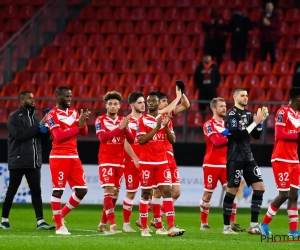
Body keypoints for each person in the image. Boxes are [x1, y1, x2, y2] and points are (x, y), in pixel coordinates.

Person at [0, 91, 54, 230]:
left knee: (36, 191)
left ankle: (40, 222)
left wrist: (45, 132)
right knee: (12, 191)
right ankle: (4, 220)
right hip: (18, 160)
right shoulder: (14, 118)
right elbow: (19, 136)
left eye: (33, 98)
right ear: (21, 100)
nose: (33, 100)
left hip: (34, 160)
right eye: (29, 98)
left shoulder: (35, 117)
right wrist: (37, 127)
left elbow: (42, 142)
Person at [137, 91, 185, 237]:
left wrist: (164, 127)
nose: (151, 103)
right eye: (148, 101)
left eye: (153, 101)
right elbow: (141, 140)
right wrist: (157, 128)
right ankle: (144, 227)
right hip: (146, 162)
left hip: (162, 161)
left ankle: (170, 226)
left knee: (167, 192)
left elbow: (172, 140)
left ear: (159, 103)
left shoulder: (166, 119)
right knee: (146, 194)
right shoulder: (142, 120)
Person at [222, 88, 268, 234]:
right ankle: (226, 227)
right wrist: (255, 123)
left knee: (260, 187)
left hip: (248, 157)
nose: (246, 98)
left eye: (247, 95)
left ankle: (253, 226)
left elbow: (256, 136)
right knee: (232, 190)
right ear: (235, 97)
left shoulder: (248, 114)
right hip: (235, 157)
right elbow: (237, 135)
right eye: (242, 95)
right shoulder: (231, 114)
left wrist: (260, 123)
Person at [46, 86, 90, 235]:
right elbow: (58, 136)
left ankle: (59, 216)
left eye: (71, 96)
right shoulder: (51, 115)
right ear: (58, 97)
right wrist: (78, 127)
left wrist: (83, 124)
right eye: (66, 96)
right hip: (59, 156)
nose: (70, 99)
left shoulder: (74, 112)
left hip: (74, 156)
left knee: (82, 190)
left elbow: (83, 132)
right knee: (58, 191)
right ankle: (59, 227)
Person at [260, 87, 300, 237]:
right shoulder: (283, 112)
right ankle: (264, 224)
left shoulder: (299, 115)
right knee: (284, 195)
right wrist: (298, 134)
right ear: (298, 99)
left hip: (294, 159)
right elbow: (279, 133)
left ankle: (293, 231)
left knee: (294, 195)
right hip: (281, 158)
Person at [201, 97, 245, 232]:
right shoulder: (209, 124)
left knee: (233, 191)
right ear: (214, 108)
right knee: (208, 194)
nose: (225, 108)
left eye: (225, 106)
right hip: (212, 164)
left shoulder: (228, 124)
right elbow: (217, 142)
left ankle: (232, 223)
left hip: (227, 164)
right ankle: (204, 224)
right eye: (221, 106)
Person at [149, 89, 190, 232]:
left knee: (176, 192)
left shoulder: (167, 115)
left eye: (167, 100)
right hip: (159, 158)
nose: (166, 103)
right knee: (158, 192)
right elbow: (169, 108)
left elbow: (186, 105)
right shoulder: (154, 116)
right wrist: (177, 96)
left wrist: (182, 92)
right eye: (164, 101)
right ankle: (159, 222)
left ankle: (156, 217)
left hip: (170, 157)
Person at [95, 91, 135, 234]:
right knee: (109, 190)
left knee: (115, 193)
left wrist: (125, 127)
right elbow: (103, 138)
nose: (113, 106)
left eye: (115, 104)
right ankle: (112, 225)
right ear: (106, 105)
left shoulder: (122, 121)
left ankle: (102, 223)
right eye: (110, 104)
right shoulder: (100, 120)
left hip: (120, 161)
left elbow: (131, 140)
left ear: (119, 106)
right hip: (106, 160)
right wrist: (119, 128)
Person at [121, 92, 146, 232]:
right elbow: (125, 142)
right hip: (131, 161)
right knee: (131, 192)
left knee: (152, 191)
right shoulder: (127, 121)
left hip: (147, 161)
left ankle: (143, 222)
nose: (143, 105)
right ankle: (126, 224)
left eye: (143, 102)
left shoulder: (147, 120)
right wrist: (135, 158)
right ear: (132, 105)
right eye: (140, 102)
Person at [257, 1, 280, 66]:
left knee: (273, 55)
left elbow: (277, 25)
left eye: (270, 6)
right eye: (267, 6)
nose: (268, 8)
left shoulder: (275, 15)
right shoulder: (262, 14)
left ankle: (273, 69)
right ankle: (263, 69)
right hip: (263, 38)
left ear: (272, 7)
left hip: (272, 39)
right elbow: (258, 24)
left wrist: (269, 24)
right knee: (263, 56)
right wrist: (263, 24)